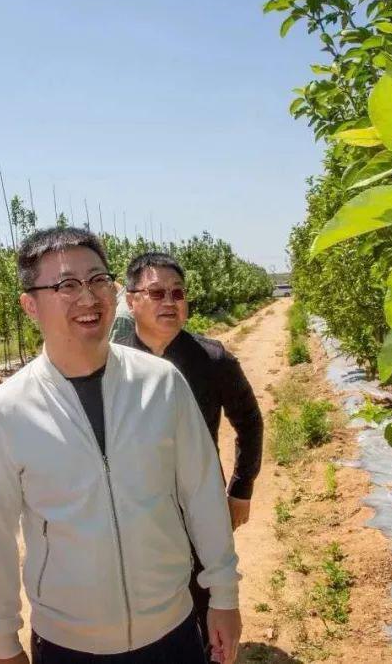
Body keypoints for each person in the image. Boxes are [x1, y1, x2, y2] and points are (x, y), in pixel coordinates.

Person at [0, 227, 241, 664]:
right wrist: (4, 642)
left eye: (99, 280)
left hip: (171, 628)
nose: (88, 297)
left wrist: (224, 595)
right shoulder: (7, 412)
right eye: (66, 285)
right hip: (67, 643)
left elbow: (201, 492)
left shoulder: (161, 383)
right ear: (30, 305)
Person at [117, 251, 263, 648]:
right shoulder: (113, 365)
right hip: (139, 510)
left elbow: (249, 423)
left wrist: (240, 488)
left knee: (206, 594)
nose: (169, 302)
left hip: (200, 504)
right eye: (157, 292)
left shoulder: (212, 359)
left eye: (177, 293)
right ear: (131, 301)